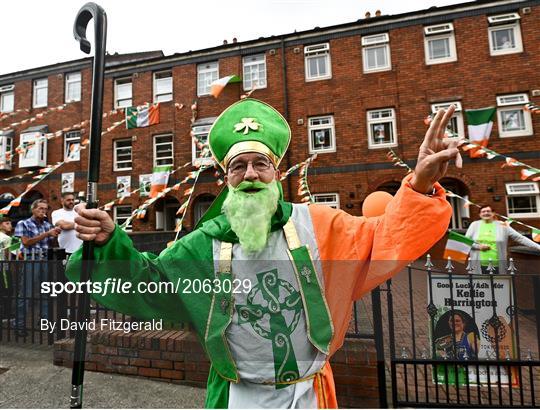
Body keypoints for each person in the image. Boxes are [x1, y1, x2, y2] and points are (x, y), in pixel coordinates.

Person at [67, 99, 461, 408]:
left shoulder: (322, 226)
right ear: (226, 179)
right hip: (237, 397)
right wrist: (107, 243)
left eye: (261, 164)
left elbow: (387, 236)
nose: (251, 174)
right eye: (239, 166)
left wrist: (421, 186)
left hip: (309, 395)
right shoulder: (203, 243)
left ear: (276, 173)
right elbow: (148, 283)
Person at [14, 199, 60, 335]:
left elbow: (51, 244)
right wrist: (47, 234)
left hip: (45, 259)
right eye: (40, 208)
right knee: (26, 294)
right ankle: (19, 325)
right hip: (31, 259)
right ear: (33, 209)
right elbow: (26, 242)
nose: (43, 211)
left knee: (45, 293)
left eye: (45, 209)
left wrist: (56, 234)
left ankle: (44, 322)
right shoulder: (23, 223)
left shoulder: (47, 225)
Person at [465, 205, 540, 274]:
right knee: (481, 286)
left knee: (499, 286)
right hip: (478, 264)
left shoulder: (502, 225)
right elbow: (465, 241)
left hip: (498, 264)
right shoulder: (474, 225)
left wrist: (538, 247)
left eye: (488, 211)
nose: (486, 213)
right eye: (483, 211)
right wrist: (478, 247)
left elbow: (519, 238)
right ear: (480, 214)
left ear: (493, 213)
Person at [51, 192, 83, 257]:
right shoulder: (57, 213)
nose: (71, 202)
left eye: (72, 200)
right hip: (65, 251)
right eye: (68, 200)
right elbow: (64, 226)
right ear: (62, 201)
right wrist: (82, 223)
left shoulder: (79, 212)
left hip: (81, 250)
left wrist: (70, 224)